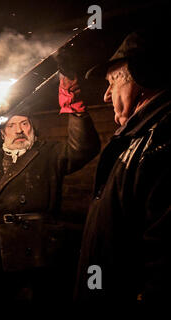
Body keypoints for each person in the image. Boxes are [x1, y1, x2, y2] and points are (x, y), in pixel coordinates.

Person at [0, 72, 100, 300]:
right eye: (12, 125)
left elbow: (83, 149)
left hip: (41, 251)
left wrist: (77, 111)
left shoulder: (50, 152)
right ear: (3, 133)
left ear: (32, 126)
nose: (19, 130)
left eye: (24, 123)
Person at [75, 30, 171, 302]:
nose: (106, 96)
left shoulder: (161, 140)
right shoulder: (139, 138)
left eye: (112, 82)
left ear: (142, 78)